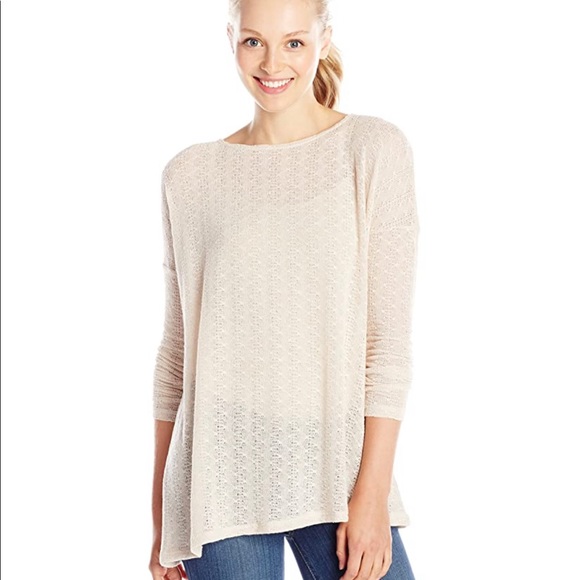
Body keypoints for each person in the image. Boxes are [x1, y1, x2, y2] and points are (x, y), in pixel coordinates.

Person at [149, 0, 420, 578]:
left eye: (294, 42)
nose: (273, 63)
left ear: (324, 39)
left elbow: (387, 344)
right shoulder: (189, 175)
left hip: (336, 464)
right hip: (216, 476)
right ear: (231, 39)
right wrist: (161, 521)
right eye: (254, 41)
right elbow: (175, 359)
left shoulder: (371, 150)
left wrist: (372, 495)